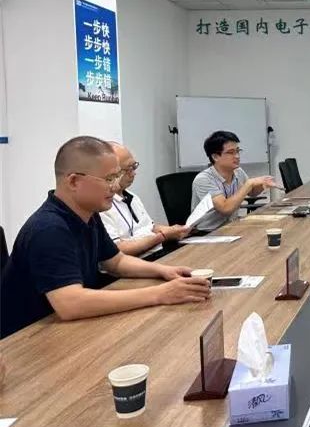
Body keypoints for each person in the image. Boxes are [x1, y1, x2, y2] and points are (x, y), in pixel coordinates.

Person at [0, 136, 212, 338]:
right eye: (109, 179)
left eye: (117, 177)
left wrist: (164, 271)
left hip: (68, 327)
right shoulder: (48, 229)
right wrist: (160, 294)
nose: (115, 186)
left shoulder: (88, 214)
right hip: (27, 339)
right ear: (74, 181)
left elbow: (116, 261)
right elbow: (70, 304)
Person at [100, 143, 189, 259]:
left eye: (134, 167)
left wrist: (177, 230)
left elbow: (150, 227)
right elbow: (117, 249)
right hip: (138, 260)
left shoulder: (132, 197)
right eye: (128, 169)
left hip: (156, 252)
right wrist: (162, 236)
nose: (133, 173)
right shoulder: (101, 206)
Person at [191, 131, 276, 232]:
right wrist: (249, 183)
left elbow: (252, 192)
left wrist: (263, 184)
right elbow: (225, 208)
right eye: (231, 152)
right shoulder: (204, 179)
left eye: (238, 151)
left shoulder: (238, 172)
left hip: (231, 227)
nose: (237, 156)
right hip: (207, 232)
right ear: (215, 157)